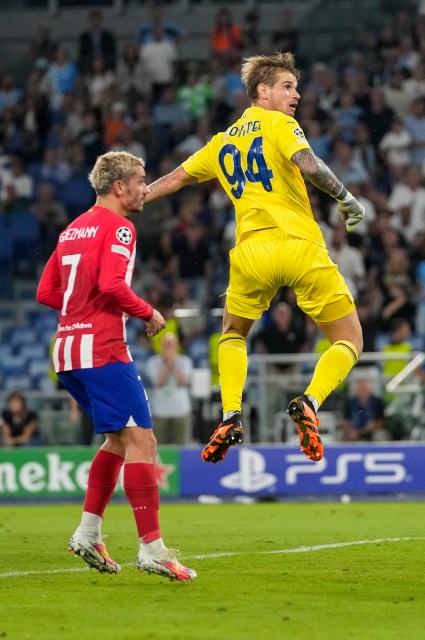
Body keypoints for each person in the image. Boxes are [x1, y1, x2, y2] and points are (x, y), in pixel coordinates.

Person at [143, 52, 366, 464]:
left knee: (233, 332)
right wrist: (346, 197)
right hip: (299, 246)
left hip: (250, 253)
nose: (296, 94)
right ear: (262, 91)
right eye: (287, 86)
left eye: (296, 87)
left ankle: (230, 414)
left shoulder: (222, 140)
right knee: (350, 339)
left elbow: (175, 179)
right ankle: (310, 403)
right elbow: (309, 164)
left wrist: (134, 198)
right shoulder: (281, 124)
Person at [35, 151, 195, 581]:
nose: (146, 187)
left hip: (67, 350)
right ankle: (154, 549)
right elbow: (111, 284)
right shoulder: (120, 227)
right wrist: (148, 313)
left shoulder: (72, 229)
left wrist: (79, 308)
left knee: (119, 443)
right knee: (144, 443)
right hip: (102, 349)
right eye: (142, 180)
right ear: (119, 186)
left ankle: (88, 533)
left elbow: (47, 291)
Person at [144, 333, 194, 445]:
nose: (169, 348)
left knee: (182, 446)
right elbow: (158, 382)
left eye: (171, 345)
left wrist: (173, 363)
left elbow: (183, 381)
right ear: (162, 346)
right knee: (160, 446)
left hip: (181, 410)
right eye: (166, 345)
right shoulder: (153, 362)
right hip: (160, 411)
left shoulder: (185, 361)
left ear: (177, 345)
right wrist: (167, 364)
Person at [339, 376, 389, 442]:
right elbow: (345, 421)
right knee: (340, 435)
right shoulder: (350, 402)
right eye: (361, 389)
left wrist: (362, 432)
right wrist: (350, 430)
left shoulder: (377, 401)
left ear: (370, 390)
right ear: (356, 391)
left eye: (365, 389)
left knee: (380, 435)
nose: (363, 392)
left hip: (371, 431)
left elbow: (381, 422)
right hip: (353, 430)